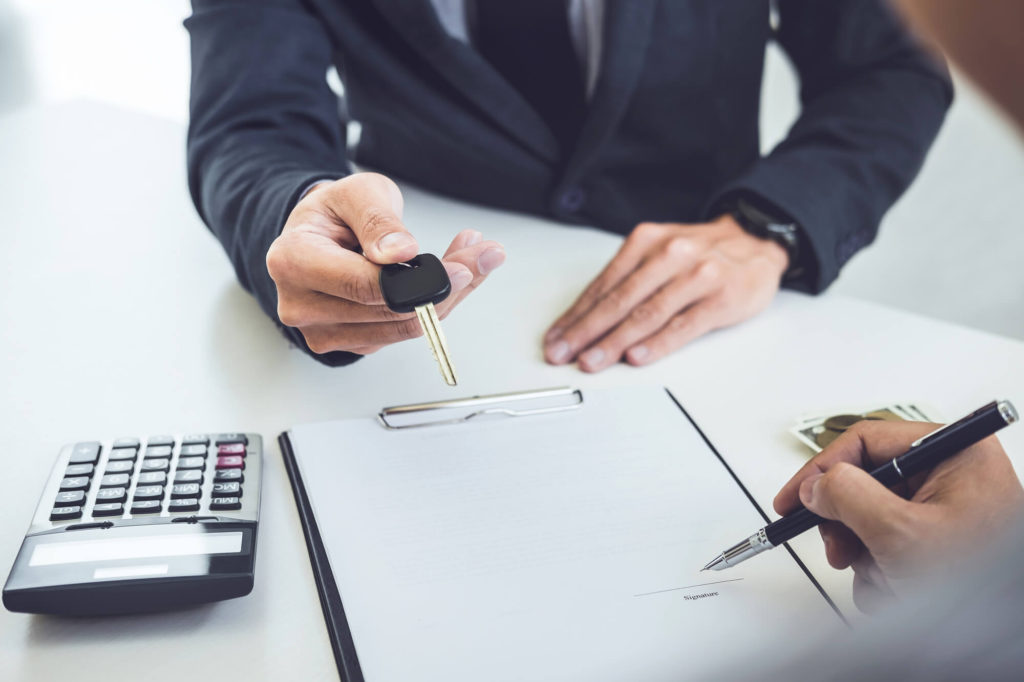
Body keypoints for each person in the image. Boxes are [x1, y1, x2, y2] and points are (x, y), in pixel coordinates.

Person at [186, 0, 950, 370]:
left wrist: (768, 227)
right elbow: (251, 123)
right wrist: (289, 218)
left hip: (705, 339)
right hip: (422, 320)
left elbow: (889, 67)